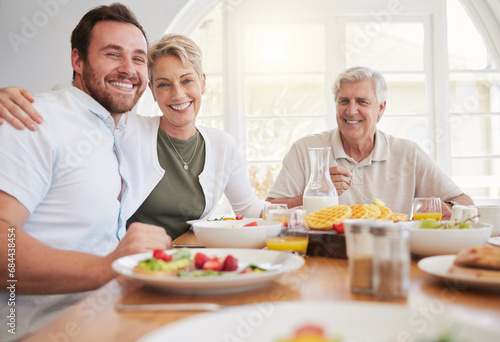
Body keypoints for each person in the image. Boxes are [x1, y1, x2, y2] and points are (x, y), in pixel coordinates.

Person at [0, 4, 170, 340]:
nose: (129, 69)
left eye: (138, 58)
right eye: (113, 54)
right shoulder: (33, 118)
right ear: (78, 61)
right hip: (39, 330)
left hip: (112, 318)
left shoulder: (117, 128)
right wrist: (110, 267)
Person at [0, 34, 266, 241]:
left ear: (203, 83)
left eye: (187, 80)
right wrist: (8, 97)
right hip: (132, 266)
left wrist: (289, 214)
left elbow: (248, 207)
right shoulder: (127, 129)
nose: (177, 94)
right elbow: (77, 102)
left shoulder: (222, 144)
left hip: (186, 262)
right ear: (151, 90)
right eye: (164, 84)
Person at [266, 66, 473, 219]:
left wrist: (448, 206)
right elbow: (269, 210)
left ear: (381, 108)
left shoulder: (408, 153)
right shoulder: (305, 150)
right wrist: (314, 194)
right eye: (344, 101)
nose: (351, 111)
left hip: (391, 254)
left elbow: (467, 203)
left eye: (362, 102)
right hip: (320, 255)